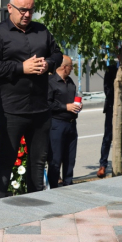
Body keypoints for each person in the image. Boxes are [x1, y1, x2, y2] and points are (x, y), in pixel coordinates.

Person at [0, 0, 63, 199]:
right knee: (6, 160)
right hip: (11, 109)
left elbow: (58, 53)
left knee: (38, 161)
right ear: (10, 8)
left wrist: (48, 64)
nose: (27, 14)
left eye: (31, 10)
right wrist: (21, 68)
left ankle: (37, 204)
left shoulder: (42, 31)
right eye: (23, 10)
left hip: (40, 107)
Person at [47, 55, 81, 188]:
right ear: (65, 67)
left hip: (71, 123)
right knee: (56, 158)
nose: (72, 69)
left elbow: (73, 99)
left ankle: (68, 183)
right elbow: (47, 104)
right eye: (71, 66)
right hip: (57, 124)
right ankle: (54, 186)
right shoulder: (50, 81)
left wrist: (77, 105)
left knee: (70, 157)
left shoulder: (70, 81)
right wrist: (65, 107)